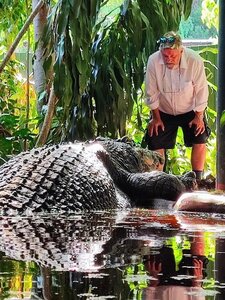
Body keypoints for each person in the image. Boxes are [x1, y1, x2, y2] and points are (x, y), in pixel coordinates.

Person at [144, 31, 210, 180]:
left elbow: (201, 91)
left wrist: (199, 117)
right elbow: (151, 92)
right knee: (155, 138)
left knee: (200, 136)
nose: (168, 59)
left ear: (181, 51)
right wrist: (156, 118)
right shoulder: (153, 61)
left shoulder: (194, 60)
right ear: (160, 51)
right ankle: (157, 180)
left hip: (190, 109)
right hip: (163, 109)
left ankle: (197, 179)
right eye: (165, 55)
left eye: (173, 56)